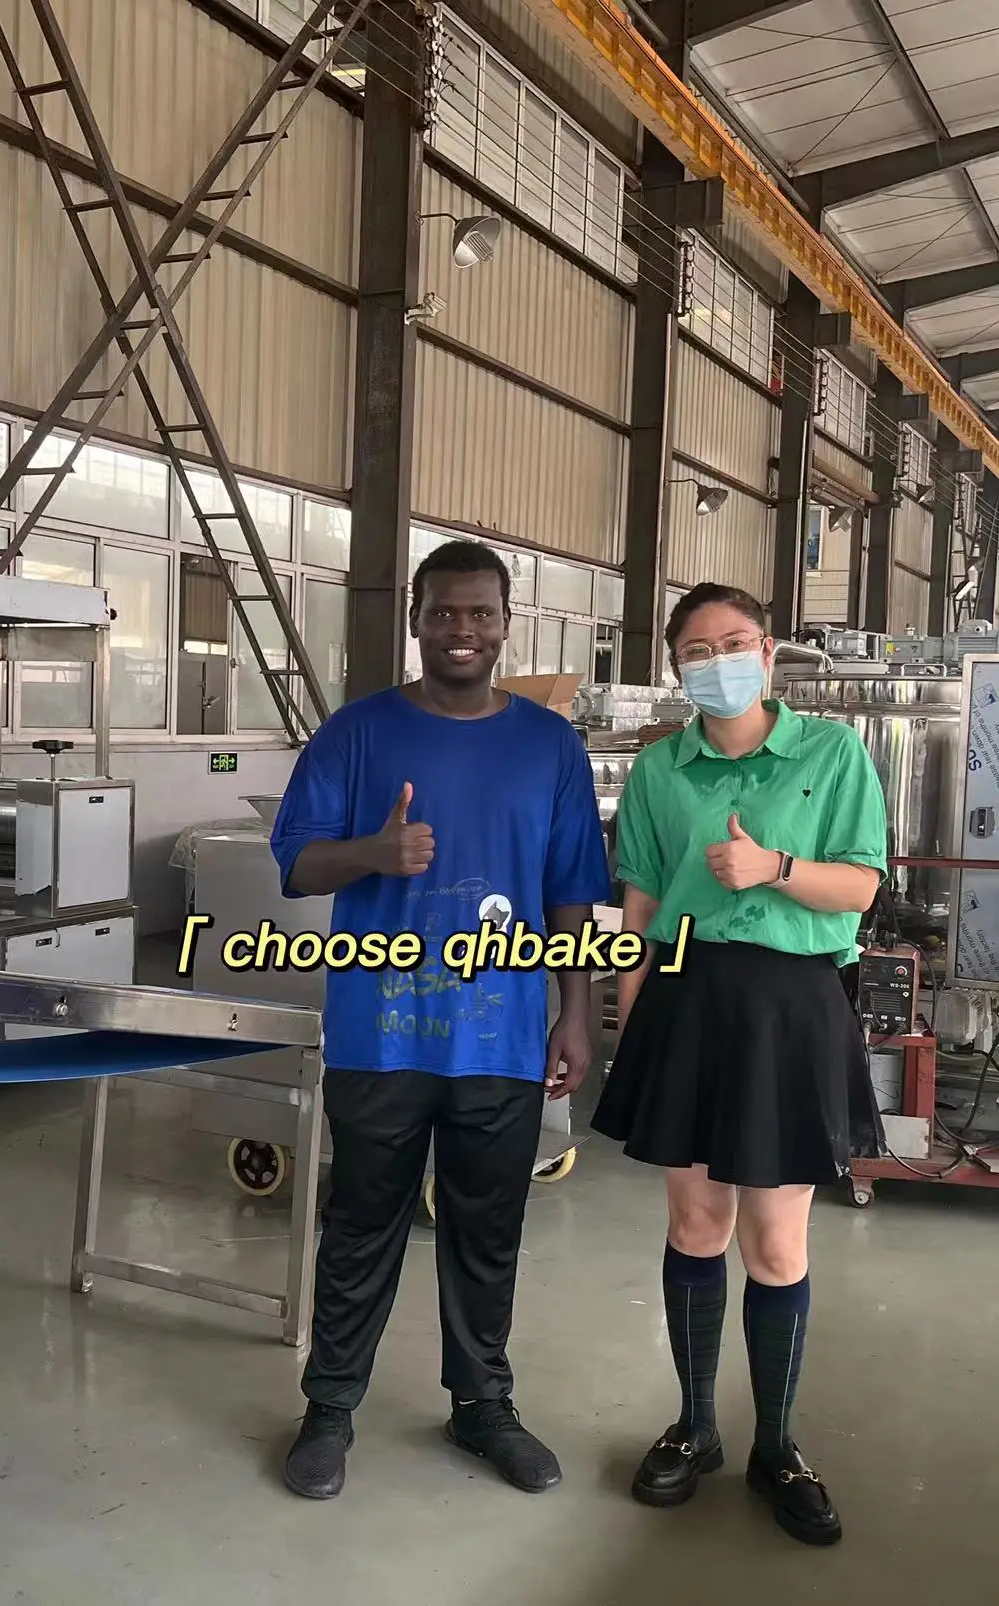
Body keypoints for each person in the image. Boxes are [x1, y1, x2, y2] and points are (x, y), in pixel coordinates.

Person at [269, 537, 612, 1501]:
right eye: (444, 612)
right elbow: (296, 862)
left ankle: (482, 1405)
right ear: (416, 621)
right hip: (381, 1033)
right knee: (361, 1225)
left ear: (506, 625)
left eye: (481, 613)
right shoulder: (357, 734)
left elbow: (572, 892)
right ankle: (329, 1409)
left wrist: (576, 1013)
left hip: (502, 1036)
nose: (463, 629)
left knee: (485, 1231)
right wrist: (373, 853)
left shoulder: (550, 746)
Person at [591, 582, 887, 1548]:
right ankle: (695, 1426)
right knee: (695, 1223)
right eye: (697, 649)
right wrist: (631, 1019)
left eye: (735, 643)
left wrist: (776, 870)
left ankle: (778, 1446)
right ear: (677, 668)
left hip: (790, 1008)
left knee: (776, 1240)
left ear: (767, 653)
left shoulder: (831, 752)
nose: (717, 661)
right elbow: (640, 904)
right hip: (685, 1001)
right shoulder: (659, 769)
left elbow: (862, 886)